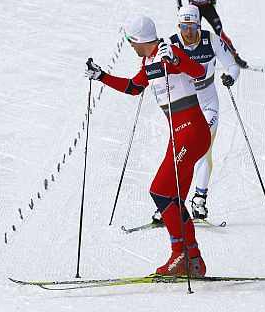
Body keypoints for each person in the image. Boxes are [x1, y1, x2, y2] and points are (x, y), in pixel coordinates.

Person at [84, 15, 211, 276]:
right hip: (179, 134)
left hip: (191, 132)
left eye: (131, 41)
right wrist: (101, 76)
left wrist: (176, 60)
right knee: (173, 198)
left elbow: (199, 72)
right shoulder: (150, 61)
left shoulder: (168, 52)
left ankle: (182, 255)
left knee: (160, 192)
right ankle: (193, 259)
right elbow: (133, 87)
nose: (130, 46)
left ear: (139, 39)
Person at [151, 5, 240, 223]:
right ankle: (171, 202)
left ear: (199, 25)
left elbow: (233, 65)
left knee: (202, 150)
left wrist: (231, 77)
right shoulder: (172, 43)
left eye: (192, 26)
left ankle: (199, 200)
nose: (188, 32)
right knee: (179, 153)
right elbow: (154, 70)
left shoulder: (212, 40)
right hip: (184, 106)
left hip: (208, 102)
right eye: (183, 27)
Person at [175, 0, 248, 69]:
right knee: (194, 34)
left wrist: (213, 1)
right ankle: (193, 58)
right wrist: (180, 9)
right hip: (195, 10)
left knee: (220, 32)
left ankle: (235, 56)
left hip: (208, 8)